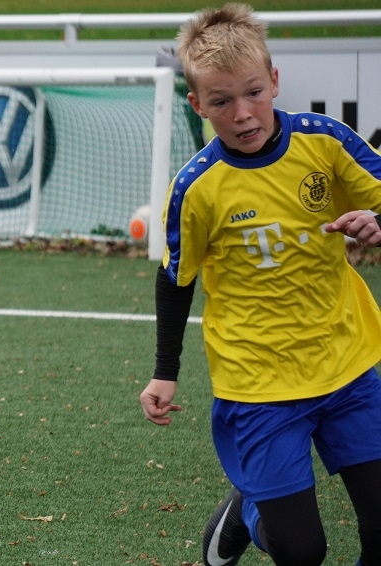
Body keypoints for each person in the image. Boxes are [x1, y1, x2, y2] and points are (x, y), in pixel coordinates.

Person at [137, 4, 381, 566]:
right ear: (198, 105)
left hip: (345, 363)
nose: (243, 113)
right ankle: (248, 512)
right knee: (303, 551)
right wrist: (165, 371)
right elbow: (175, 279)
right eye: (222, 101)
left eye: (252, 93)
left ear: (273, 80)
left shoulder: (325, 141)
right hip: (259, 384)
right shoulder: (197, 186)